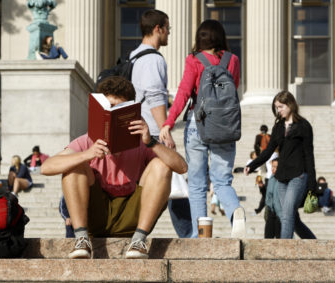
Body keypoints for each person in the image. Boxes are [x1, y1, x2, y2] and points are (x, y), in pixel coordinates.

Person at [41, 76, 187, 259]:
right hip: (95, 214)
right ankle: (81, 239)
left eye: (120, 109)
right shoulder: (87, 140)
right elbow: (46, 168)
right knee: (73, 164)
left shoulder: (142, 143)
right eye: (109, 107)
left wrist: (151, 142)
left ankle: (139, 240)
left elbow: (181, 167)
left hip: (131, 214)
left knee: (161, 165)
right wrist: (87, 154)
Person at [159, 19, 245, 238]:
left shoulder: (194, 60)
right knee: (222, 181)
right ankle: (236, 212)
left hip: (198, 123)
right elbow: (232, 90)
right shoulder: (232, 60)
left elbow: (184, 93)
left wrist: (169, 123)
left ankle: (199, 235)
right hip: (225, 126)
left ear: (200, 38)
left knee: (197, 184)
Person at [130, 9, 191, 238]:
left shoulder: (133, 56)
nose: (169, 34)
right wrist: (165, 131)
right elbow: (155, 97)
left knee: (161, 189)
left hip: (136, 133)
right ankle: (190, 238)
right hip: (151, 134)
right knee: (173, 186)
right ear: (158, 29)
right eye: (168, 29)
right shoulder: (153, 59)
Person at [245, 90, 316, 239]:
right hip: (282, 178)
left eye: (281, 106)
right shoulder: (278, 127)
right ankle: (313, 242)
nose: (278, 110)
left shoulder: (303, 126)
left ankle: (284, 251)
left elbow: (309, 156)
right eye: (276, 107)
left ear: (290, 104)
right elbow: (268, 151)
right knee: (290, 218)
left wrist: (312, 184)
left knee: (287, 215)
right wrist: (252, 165)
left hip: (298, 176)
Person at [264, 158, 282, 238]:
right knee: (268, 237)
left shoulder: (284, 179)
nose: (273, 169)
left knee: (280, 237)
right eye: (272, 166)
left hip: (280, 213)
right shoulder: (271, 178)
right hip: (271, 211)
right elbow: (268, 194)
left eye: (276, 167)